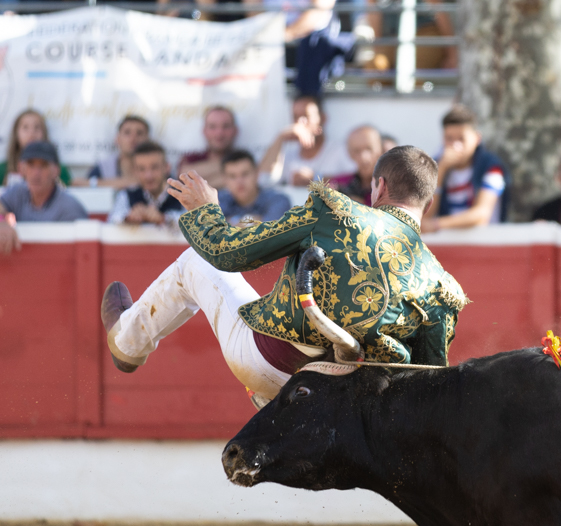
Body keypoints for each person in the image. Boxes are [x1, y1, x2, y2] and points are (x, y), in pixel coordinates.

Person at [100, 145, 466, 404]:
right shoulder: (442, 287)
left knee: (195, 262)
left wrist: (207, 210)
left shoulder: (335, 212)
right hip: (345, 404)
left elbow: (225, 252)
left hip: (268, 363)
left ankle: (127, 343)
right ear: (428, 203)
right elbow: (427, 388)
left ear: (379, 187)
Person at [425, 104, 508, 232]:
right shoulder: (435, 165)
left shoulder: (491, 167)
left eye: (461, 139)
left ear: (477, 138)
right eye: (449, 138)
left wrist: (436, 224)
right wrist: (440, 171)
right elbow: (425, 214)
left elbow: (481, 215)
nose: (455, 145)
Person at [0, 142, 88, 255]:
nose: (36, 173)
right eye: (31, 164)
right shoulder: (19, 192)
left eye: (44, 165)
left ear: (56, 171)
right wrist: (1, 222)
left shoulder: (69, 208)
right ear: (22, 169)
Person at [259, 95, 354, 187]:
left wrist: (316, 178)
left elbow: (357, 181)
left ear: (323, 118)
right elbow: (263, 181)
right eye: (295, 117)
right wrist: (280, 137)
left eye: (306, 116)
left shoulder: (339, 150)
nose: (300, 122)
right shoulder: (289, 154)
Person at [108, 142, 184, 226]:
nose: (148, 175)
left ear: (167, 167)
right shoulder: (126, 195)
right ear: (135, 171)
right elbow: (112, 222)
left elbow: (194, 225)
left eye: (154, 167)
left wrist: (163, 219)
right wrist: (128, 218)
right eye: (141, 169)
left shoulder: (182, 196)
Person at [0, 109, 71, 187]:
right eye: (25, 127)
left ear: (44, 132)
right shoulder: (2, 169)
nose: (31, 133)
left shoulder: (59, 169)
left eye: (37, 127)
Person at [217, 151, 293, 224]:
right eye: (232, 176)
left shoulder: (278, 200)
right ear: (224, 180)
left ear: (257, 174)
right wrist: (255, 221)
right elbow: (210, 230)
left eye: (245, 174)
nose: (239, 181)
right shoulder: (218, 201)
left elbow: (271, 231)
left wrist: (229, 222)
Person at [176, 106, 239, 191]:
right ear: (204, 131)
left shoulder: (243, 156)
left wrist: (200, 179)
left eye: (226, 126)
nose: (219, 132)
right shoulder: (191, 158)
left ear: (235, 130)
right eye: (212, 127)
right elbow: (183, 176)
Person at [81, 115, 150, 189]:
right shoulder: (103, 167)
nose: (133, 138)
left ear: (148, 139)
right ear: (117, 139)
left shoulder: (158, 167)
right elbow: (80, 185)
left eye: (139, 133)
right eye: (127, 133)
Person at [330, 125, 384, 205]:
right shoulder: (339, 184)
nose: (364, 157)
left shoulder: (391, 188)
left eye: (369, 148)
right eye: (357, 151)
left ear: (381, 149)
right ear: (349, 153)